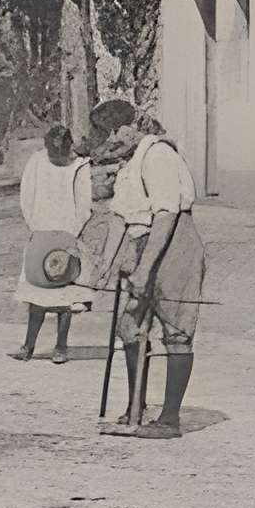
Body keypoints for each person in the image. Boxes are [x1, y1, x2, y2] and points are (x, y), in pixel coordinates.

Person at [94, 100, 213, 439]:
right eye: (107, 132)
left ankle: (169, 419)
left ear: (135, 125)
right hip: (141, 242)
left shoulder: (159, 155)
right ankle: (135, 407)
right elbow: (119, 216)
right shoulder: (128, 164)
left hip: (175, 244)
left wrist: (146, 269)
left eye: (118, 129)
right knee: (130, 325)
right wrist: (106, 264)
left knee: (176, 329)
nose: (113, 137)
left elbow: (166, 215)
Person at [12, 124, 93, 362]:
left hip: (68, 235)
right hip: (41, 232)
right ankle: (28, 346)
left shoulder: (80, 166)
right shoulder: (36, 162)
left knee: (64, 294)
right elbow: (26, 195)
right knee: (37, 292)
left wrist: (72, 233)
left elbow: (84, 204)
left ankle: (61, 347)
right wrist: (36, 226)